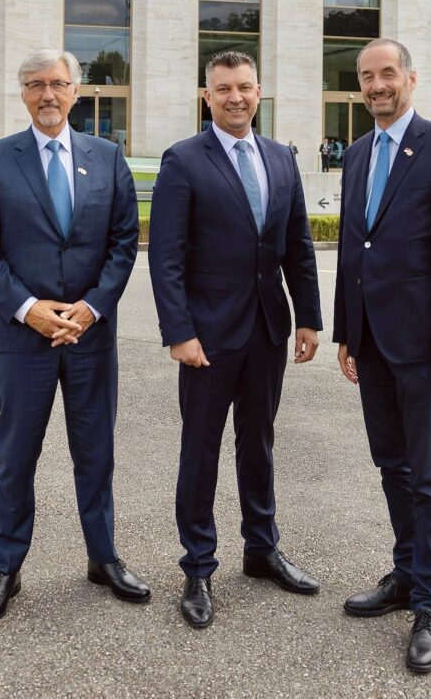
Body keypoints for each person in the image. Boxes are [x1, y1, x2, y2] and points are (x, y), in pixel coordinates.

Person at [0, 48, 150, 626]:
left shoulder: (107, 156)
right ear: (22, 93)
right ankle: (6, 567)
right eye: (35, 84)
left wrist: (91, 308)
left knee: (95, 456)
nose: (47, 94)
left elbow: (124, 242)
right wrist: (29, 310)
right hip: (21, 341)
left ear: (76, 90)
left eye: (57, 84)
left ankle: (103, 558)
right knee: (16, 458)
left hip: (91, 339)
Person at [148, 50, 322, 629]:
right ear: (207, 96)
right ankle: (198, 566)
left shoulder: (280, 157)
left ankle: (261, 549)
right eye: (223, 88)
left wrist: (308, 317)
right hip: (207, 336)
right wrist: (179, 331)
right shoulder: (183, 160)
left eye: (244, 87)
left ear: (258, 92)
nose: (235, 97)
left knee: (259, 443)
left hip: (268, 330)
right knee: (200, 449)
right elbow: (166, 257)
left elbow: (297, 244)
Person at [333, 39, 431, 674]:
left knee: (429, 474)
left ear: (411, 79)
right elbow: (354, 247)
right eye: (367, 76)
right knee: (391, 464)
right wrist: (346, 330)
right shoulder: (358, 152)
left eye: (387, 73)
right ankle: (405, 572)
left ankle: (429, 604)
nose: (377, 85)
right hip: (371, 340)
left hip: (424, 346)